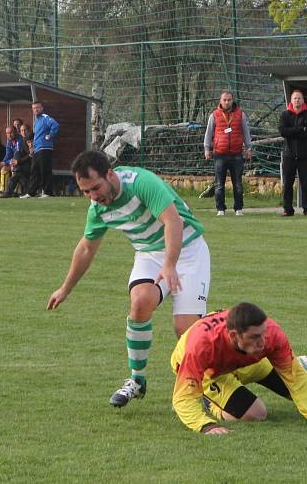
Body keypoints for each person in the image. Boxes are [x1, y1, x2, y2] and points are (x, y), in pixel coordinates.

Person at [47, 150, 211, 408]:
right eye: (86, 192)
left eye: (95, 188)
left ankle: (204, 387)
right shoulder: (98, 209)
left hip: (188, 250)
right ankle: (137, 380)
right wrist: (65, 288)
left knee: (185, 329)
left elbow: (173, 222)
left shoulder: (141, 183)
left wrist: (170, 265)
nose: (93, 197)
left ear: (109, 174)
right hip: (149, 253)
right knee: (140, 302)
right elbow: (87, 248)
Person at [171, 302, 307, 434]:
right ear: (233, 335)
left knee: (294, 382)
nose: (263, 341)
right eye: (255, 337)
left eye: (262, 334)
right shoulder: (200, 346)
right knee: (256, 414)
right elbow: (183, 397)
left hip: (250, 361)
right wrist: (206, 426)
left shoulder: (269, 334)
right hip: (212, 374)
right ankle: (211, 403)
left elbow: (294, 376)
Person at [203, 90, 253, 216]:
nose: (227, 102)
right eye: (224, 100)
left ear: (232, 100)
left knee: (238, 183)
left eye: (229, 100)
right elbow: (208, 133)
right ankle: (220, 208)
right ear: (220, 101)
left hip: (236, 154)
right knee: (219, 183)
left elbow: (246, 132)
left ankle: (238, 208)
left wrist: (248, 148)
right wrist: (207, 148)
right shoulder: (214, 115)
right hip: (220, 154)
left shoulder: (240, 114)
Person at [278, 90, 307, 216]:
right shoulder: (285, 115)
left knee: (306, 183)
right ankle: (287, 209)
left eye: (299, 98)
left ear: (303, 100)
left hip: (304, 155)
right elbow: (283, 131)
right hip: (289, 155)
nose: (297, 100)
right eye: (295, 98)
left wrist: (293, 131)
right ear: (291, 101)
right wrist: (299, 129)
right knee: (288, 183)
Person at [21, 101, 59, 198]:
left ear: (42, 108)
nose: (36, 110)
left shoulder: (45, 117)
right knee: (34, 171)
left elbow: (55, 125)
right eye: (34, 108)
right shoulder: (36, 121)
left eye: (38, 107)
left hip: (45, 148)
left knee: (45, 170)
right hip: (37, 149)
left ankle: (47, 192)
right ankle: (31, 192)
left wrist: (50, 135)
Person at [0, 126, 23, 195]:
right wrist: (1, 163)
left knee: (4, 168)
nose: (9, 135)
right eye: (7, 133)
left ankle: (3, 190)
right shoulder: (9, 142)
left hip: (20, 163)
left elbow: (17, 157)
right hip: (12, 163)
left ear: (15, 132)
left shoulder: (20, 140)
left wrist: (3, 163)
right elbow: (7, 156)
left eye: (11, 132)